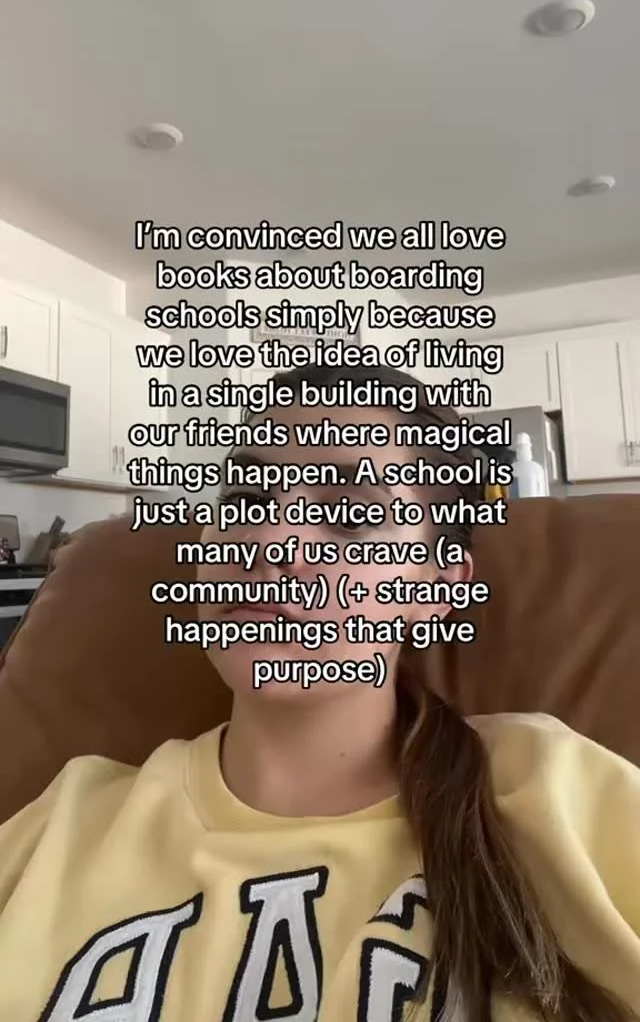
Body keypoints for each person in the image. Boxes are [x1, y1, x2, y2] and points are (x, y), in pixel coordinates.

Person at [0, 362, 637, 1022]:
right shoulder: (64, 823)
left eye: (350, 518)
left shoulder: (558, 791)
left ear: (439, 588)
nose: (267, 540)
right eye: (245, 499)